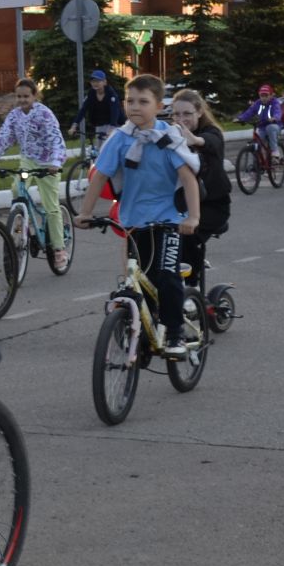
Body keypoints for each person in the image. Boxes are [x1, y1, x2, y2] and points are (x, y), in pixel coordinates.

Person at [76, 76, 201, 359]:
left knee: (167, 276)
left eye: (143, 102)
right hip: (133, 221)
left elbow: (188, 179)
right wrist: (85, 212)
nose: (135, 107)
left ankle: (175, 331)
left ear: (158, 106)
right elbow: (100, 177)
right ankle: (142, 329)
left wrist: (192, 217)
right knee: (139, 278)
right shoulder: (119, 139)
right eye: (130, 101)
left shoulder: (168, 138)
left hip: (169, 219)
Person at [0, 77, 68, 269]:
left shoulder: (45, 114)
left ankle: (59, 249)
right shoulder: (14, 116)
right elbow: (4, 137)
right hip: (28, 159)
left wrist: (55, 161)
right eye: (19, 96)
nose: (22, 100)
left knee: (51, 206)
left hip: (48, 162)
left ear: (34, 96)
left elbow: (55, 138)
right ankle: (22, 221)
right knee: (17, 187)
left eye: (26, 96)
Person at [169, 89, 232, 285]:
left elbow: (211, 142)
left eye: (187, 113)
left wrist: (195, 140)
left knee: (186, 235)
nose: (181, 118)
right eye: (177, 114)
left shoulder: (211, 133)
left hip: (212, 205)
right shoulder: (171, 134)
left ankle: (192, 288)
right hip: (183, 204)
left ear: (199, 113)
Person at [68, 70, 124, 145]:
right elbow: (83, 110)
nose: (95, 83)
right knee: (98, 148)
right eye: (93, 81)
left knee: (107, 147)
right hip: (100, 124)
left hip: (114, 124)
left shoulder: (111, 94)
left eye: (98, 81)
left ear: (104, 82)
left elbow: (115, 112)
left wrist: (111, 129)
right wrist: (74, 126)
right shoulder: (91, 94)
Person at [236, 85, 284, 154]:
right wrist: (240, 118)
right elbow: (249, 112)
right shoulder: (257, 103)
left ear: (271, 96)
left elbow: (277, 111)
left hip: (275, 125)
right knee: (258, 142)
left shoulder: (274, 102)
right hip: (262, 127)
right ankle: (257, 161)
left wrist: (275, 118)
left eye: (266, 96)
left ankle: (275, 151)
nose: (263, 98)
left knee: (270, 128)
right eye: (262, 96)